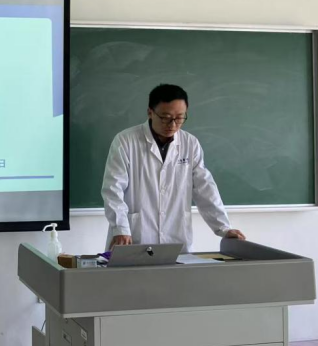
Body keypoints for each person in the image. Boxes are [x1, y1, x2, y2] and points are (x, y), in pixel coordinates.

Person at [101, 84, 245, 252]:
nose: (173, 124)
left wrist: (224, 228)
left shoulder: (190, 143)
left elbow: (205, 189)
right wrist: (121, 228)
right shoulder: (126, 141)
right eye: (165, 117)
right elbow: (113, 189)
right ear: (150, 112)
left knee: (178, 269)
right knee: (133, 268)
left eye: (180, 118)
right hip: (134, 235)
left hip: (176, 236)